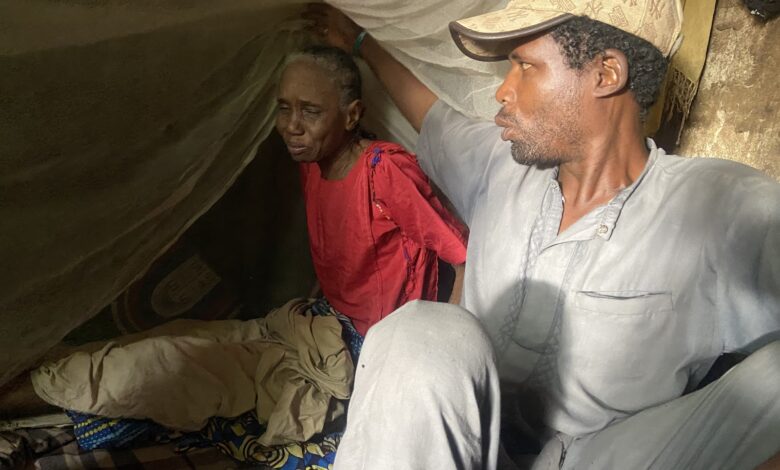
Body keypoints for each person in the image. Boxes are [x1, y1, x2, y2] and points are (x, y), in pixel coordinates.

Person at [306, 1, 780, 469]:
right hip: (474, 445)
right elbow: (431, 118)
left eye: (525, 67)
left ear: (606, 74)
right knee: (421, 331)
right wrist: (359, 42)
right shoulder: (499, 165)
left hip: (602, 457)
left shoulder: (719, 207)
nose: (503, 92)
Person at [277, 46, 468, 336]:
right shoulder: (313, 163)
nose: (292, 125)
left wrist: (444, 341)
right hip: (336, 321)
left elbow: (463, 257)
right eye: (283, 108)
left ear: (352, 115)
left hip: (388, 337)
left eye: (311, 111)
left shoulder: (384, 171)